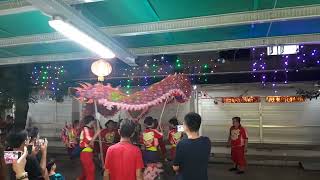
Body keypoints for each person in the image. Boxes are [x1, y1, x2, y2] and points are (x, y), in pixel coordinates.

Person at [173, 112, 211, 180]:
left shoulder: (182, 144)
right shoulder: (207, 141)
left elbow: (175, 167)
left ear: (186, 126)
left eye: (183, 123)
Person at [78, 115, 100, 180]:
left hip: (88, 152)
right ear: (91, 121)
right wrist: (97, 133)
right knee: (91, 169)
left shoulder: (89, 128)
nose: (94, 122)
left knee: (86, 171)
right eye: (93, 121)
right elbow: (88, 139)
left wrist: (96, 129)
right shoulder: (85, 128)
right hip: (86, 153)